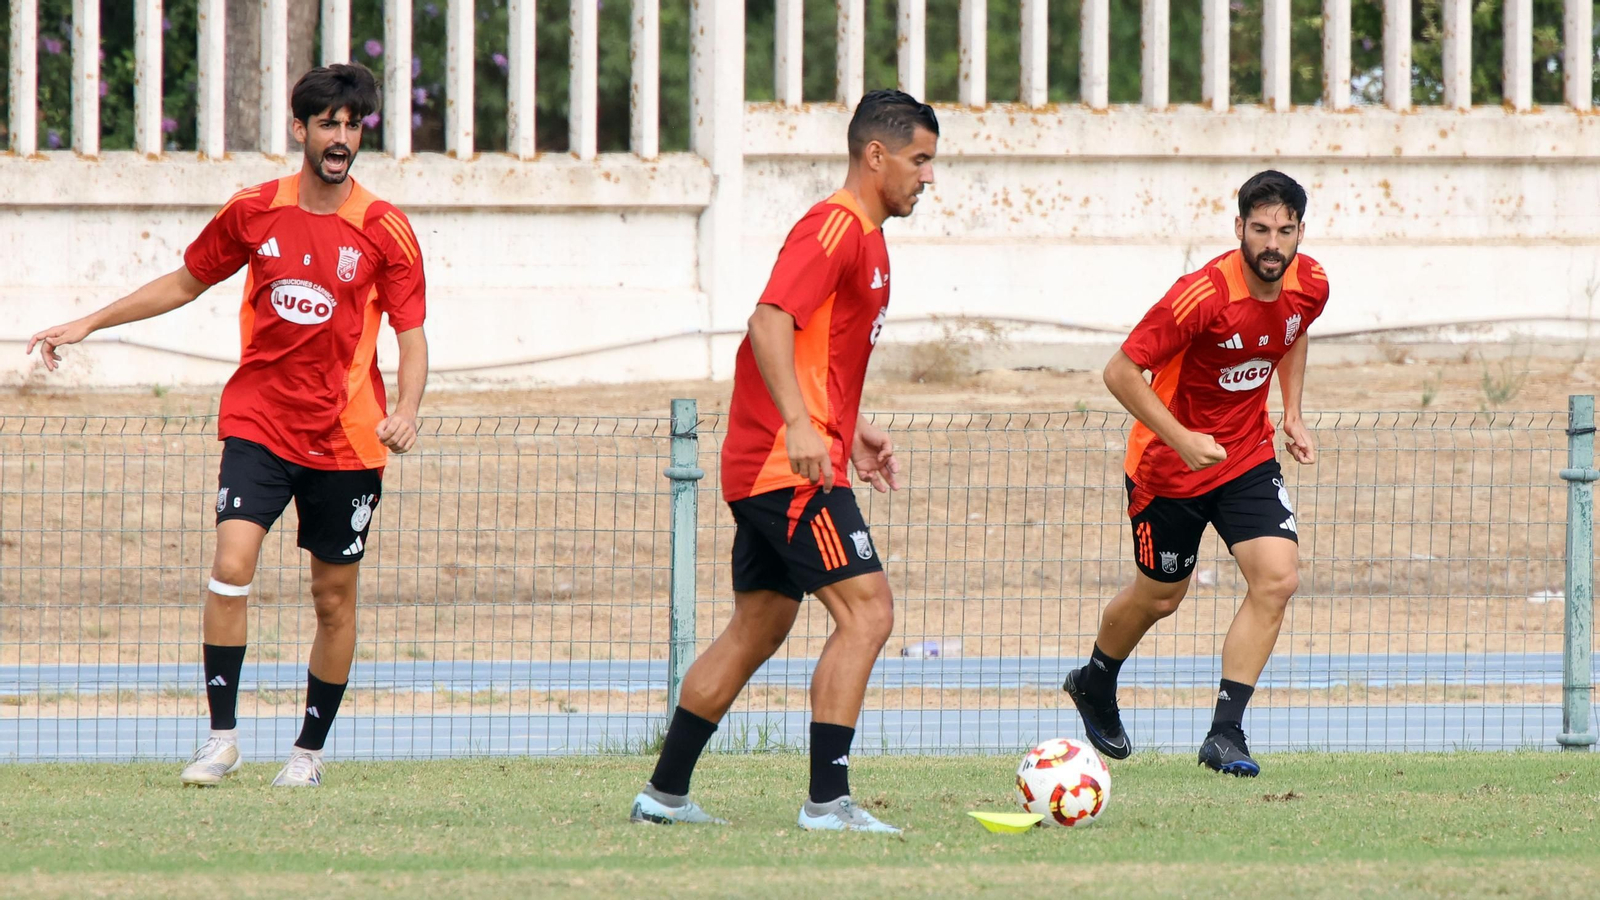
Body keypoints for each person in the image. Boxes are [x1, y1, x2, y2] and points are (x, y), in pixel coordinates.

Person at [26, 63, 428, 788]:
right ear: (299, 130)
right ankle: (220, 741)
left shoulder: (383, 228)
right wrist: (89, 322)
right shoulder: (253, 210)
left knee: (333, 597)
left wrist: (407, 409)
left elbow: (413, 333)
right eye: (328, 124)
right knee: (230, 565)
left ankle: (307, 754)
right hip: (259, 423)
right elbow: (185, 281)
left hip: (347, 439)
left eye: (352, 125)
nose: (341, 137)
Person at [629, 90, 938, 832]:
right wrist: (802, 427)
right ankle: (828, 803)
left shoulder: (868, 238)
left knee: (758, 627)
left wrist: (851, 426)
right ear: (876, 155)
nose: (928, 178)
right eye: (920, 161)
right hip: (785, 466)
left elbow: (818, 351)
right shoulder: (833, 228)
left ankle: (663, 795)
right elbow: (769, 320)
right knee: (869, 611)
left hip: (785, 458)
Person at [1062, 170, 1329, 777]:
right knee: (1161, 597)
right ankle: (1095, 682)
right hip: (1168, 469)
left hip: (1246, 457)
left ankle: (1225, 734)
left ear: (1300, 233)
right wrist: (1181, 440)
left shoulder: (1310, 282)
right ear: (1239, 228)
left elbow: (1293, 333)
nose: (1272, 244)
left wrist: (1292, 413)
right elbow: (1120, 371)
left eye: (1285, 231)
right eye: (1260, 229)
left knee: (1278, 579)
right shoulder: (1201, 295)